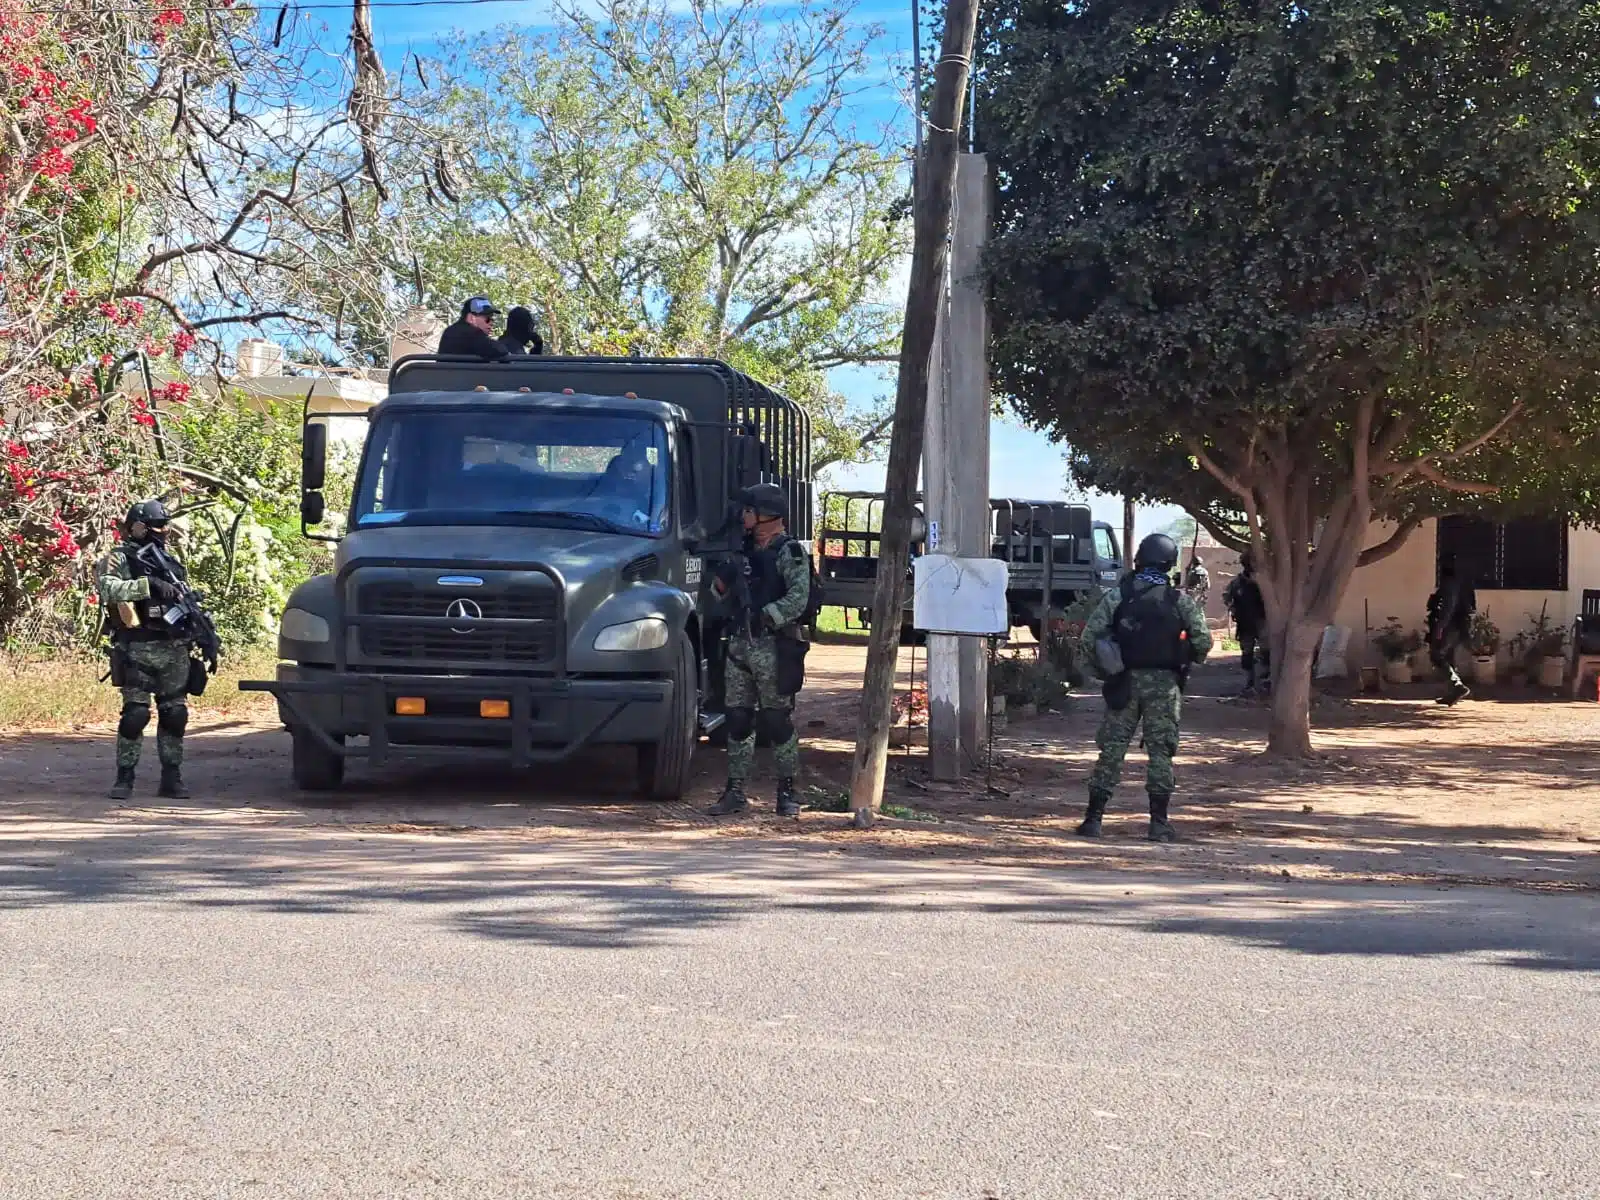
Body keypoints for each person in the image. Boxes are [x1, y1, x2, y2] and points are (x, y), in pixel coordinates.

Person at [1077, 533, 1212, 842]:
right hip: (1164, 687)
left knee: (1112, 750)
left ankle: (1093, 821)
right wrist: (1183, 654)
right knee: (1161, 753)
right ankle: (1159, 824)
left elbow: (1090, 639)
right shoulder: (1180, 601)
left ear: (1140, 558)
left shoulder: (1119, 596)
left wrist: (1108, 670)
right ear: (1169, 563)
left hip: (1124, 682)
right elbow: (1203, 643)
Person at [708, 483, 811, 818]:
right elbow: (717, 595)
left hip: (774, 646)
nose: (745, 515)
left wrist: (768, 617)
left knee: (777, 720)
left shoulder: (789, 552)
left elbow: (799, 597)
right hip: (740, 645)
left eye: (750, 509)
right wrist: (724, 581)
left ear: (767, 514)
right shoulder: (742, 552)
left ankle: (787, 792)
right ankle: (735, 791)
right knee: (737, 718)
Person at [97, 500, 198, 801]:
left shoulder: (170, 559)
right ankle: (124, 778)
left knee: (175, 715)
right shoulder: (118, 558)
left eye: (165, 526)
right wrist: (147, 585)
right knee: (135, 715)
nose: (163, 532)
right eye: (156, 526)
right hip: (137, 647)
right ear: (137, 526)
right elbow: (107, 589)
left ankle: (172, 777)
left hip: (173, 647)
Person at [1427, 554, 1475, 705]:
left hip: (1449, 625)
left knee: (1437, 655)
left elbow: (1448, 606)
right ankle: (1453, 693)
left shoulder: (1450, 583)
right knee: (1448, 657)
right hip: (1459, 625)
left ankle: (1457, 686)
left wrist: (1440, 626)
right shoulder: (1465, 583)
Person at [1223, 551, 1269, 693]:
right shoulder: (1237, 583)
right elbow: (1227, 597)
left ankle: (1265, 680)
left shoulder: (1263, 582)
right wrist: (1233, 608)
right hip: (1246, 623)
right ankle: (1250, 682)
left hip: (1262, 620)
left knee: (1266, 651)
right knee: (1247, 653)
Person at [437, 295, 510, 360]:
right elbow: (497, 349)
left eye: (492, 319)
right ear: (471, 318)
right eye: (487, 318)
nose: (491, 322)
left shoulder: (452, 331)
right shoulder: (470, 334)